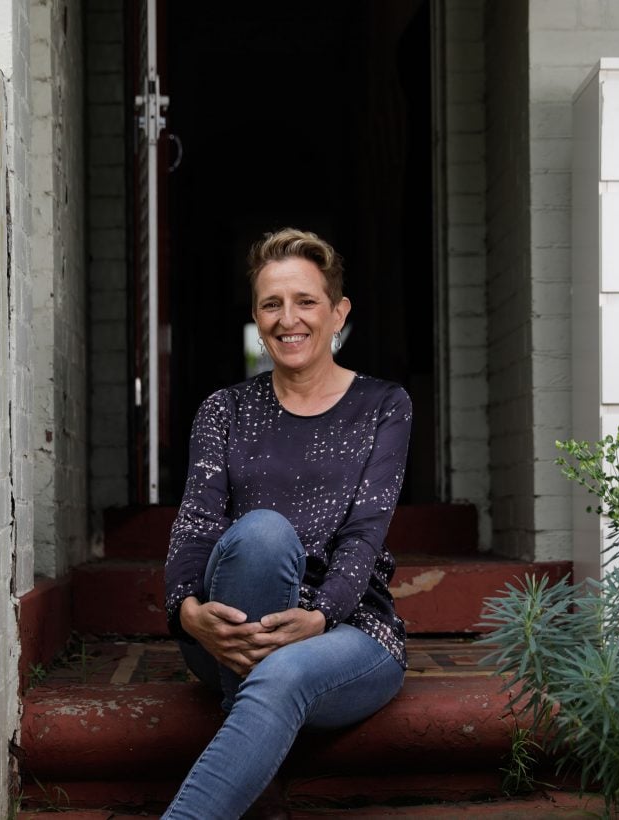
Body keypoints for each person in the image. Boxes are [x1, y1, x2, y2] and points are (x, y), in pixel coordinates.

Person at [162, 228, 412, 819]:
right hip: (227, 630)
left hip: (346, 628)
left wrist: (322, 613)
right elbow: (195, 526)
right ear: (255, 314)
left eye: (305, 301)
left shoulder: (383, 405)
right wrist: (187, 612)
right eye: (271, 304)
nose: (287, 319)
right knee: (263, 534)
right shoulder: (225, 409)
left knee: (281, 675)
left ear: (338, 312)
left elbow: (364, 535)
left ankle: (249, 782)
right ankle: (255, 779)